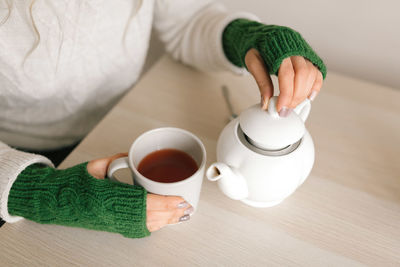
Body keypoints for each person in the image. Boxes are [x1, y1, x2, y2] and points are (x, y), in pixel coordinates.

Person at [0, 0, 326, 237]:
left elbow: (189, 19)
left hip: (125, 115)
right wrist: (36, 191)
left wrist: (248, 37)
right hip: (16, 155)